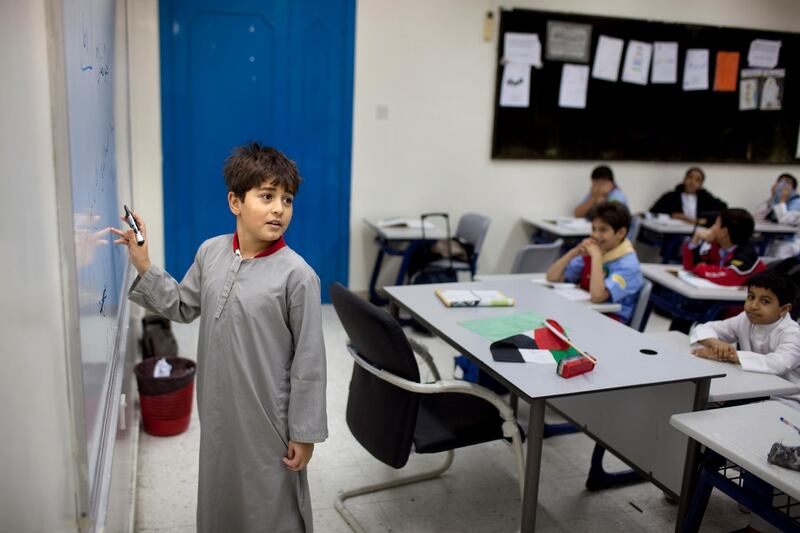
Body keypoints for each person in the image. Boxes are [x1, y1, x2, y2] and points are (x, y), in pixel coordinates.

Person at [111, 143, 327, 532]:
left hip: (268, 418)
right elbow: (181, 305)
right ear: (235, 202)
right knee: (221, 489)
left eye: (287, 199)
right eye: (266, 196)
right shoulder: (211, 253)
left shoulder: (298, 276)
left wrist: (305, 433)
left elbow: (309, 363)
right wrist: (143, 264)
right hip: (218, 410)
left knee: (270, 497)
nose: (279, 208)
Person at [690, 271, 800, 406]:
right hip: (751, 388)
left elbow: (778, 364)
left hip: (784, 400)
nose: (753, 306)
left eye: (765, 301)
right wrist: (716, 344)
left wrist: (729, 355)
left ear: (784, 309)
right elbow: (702, 328)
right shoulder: (745, 319)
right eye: (751, 297)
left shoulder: (793, 333)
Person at [547, 201, 643, 324]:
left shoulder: (628, 264)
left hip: (612, 322)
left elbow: (598, 296)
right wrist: (573, 253)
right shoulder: (598, 249)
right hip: (588, 312)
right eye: (594, 229)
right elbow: (552, 278)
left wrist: (596, 256)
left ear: (621, 233)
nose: (595, 235)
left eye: (603, 230)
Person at [682, 208, 766, 286]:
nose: (711, 228)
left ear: (724, 232)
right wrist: (695, 240)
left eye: (715, 224)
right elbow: (689, 268)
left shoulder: (746, 253)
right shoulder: (717, 248)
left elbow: (729, 277)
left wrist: (701, 268)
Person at [650, 167, 728, 225]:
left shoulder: (705, 198)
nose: (692, 181)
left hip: (698, 232)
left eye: (697, 180)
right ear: (684, 179)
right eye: (690, 177)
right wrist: (672, 215)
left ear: (701, 185)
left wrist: (704, 220)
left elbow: (724, 210)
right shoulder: (670, 196)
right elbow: (652, 213)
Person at [755, 173, 800, 259]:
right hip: (772, 240)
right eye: (780, 182)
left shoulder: (797, 203)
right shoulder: (774, 200)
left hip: (791, 241)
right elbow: (758, 217)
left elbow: (784, 220)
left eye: (787, 183)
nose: (782, 185)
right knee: (754, 250)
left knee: (779, 254)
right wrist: (772, 197)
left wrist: (783, 200)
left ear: (793, 188)